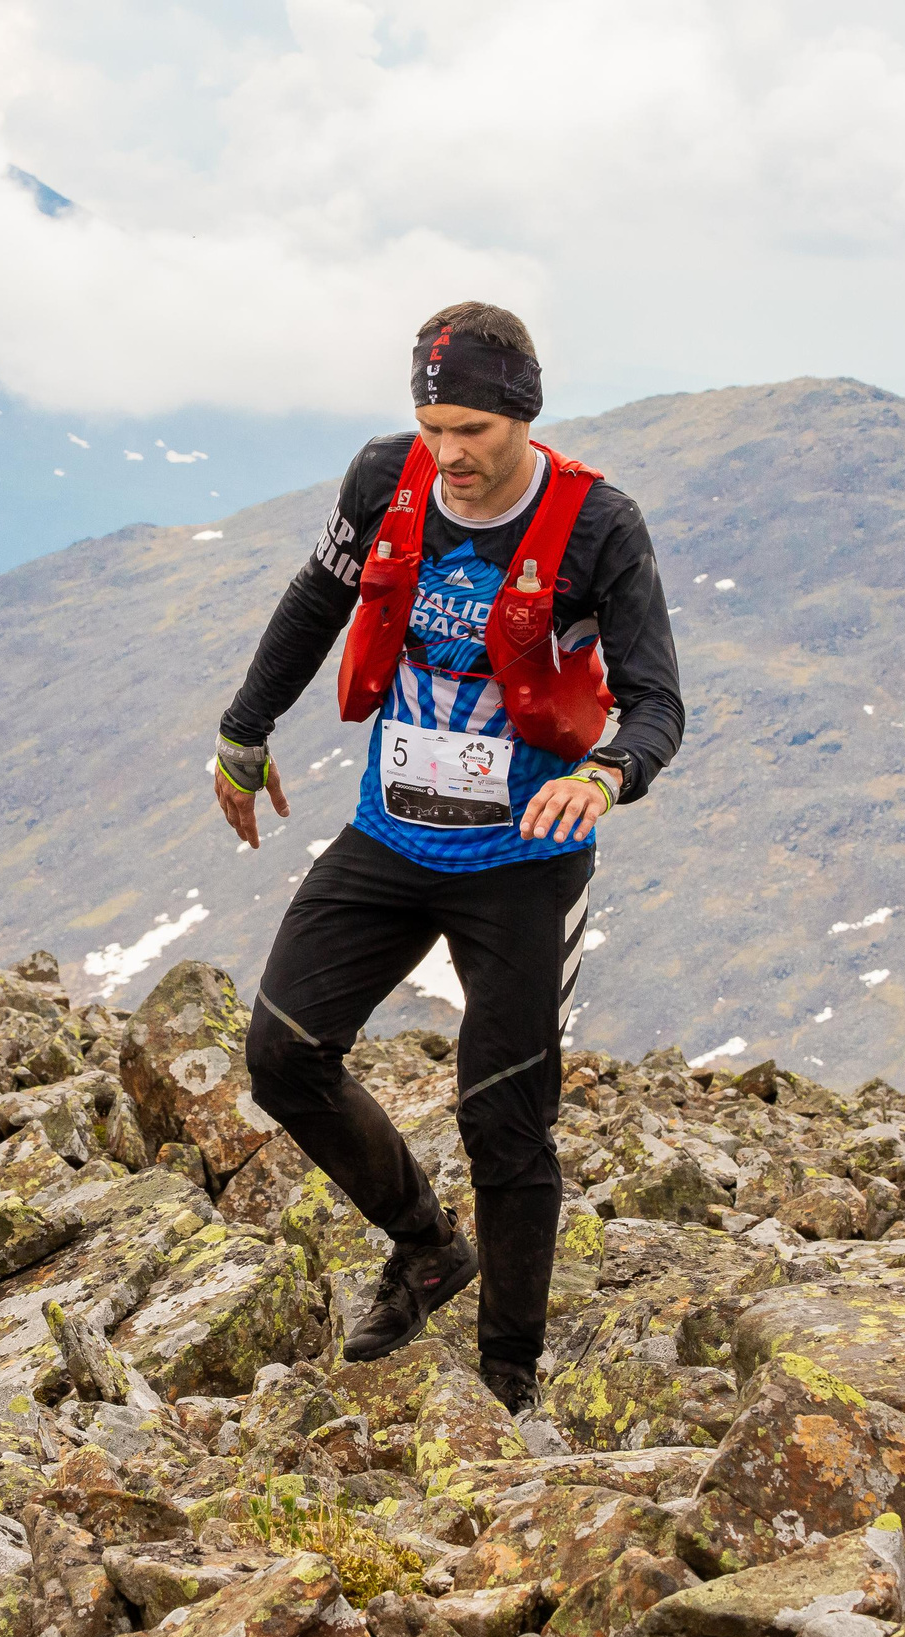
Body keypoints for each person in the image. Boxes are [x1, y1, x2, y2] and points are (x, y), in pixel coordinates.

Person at [212, 302, 685, 1413]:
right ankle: (427, 1250)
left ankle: (507, 1377)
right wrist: (242, 733)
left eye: (471, 429)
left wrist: (603, 775)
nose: (450, 455)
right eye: (432, 428)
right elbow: (315, 601)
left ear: (523, 415)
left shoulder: (597, 526)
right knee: (283, 1056)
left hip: (525, 855)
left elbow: (657, 700)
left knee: (504, 1120)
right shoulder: (386, 480)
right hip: (390, 831)